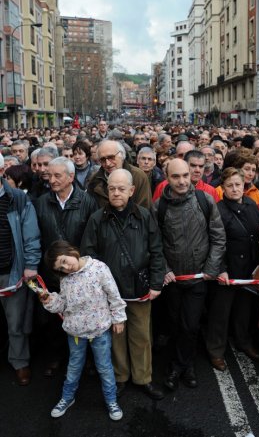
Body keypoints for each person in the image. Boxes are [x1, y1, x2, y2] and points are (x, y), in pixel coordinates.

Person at [81, 168, 165, 400]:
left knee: (141, 336)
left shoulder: (145, 216)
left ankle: (143, 378)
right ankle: (120, 377)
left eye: (121, 189)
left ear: (132, 190)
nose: (116, 193)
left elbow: (157, 251)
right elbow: (88, 255)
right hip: (110, 293)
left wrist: (156, 283)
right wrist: (97, 288)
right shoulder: (97, 218)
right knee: (116, 338)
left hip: (140, 289)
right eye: (111, 188)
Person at [153, 159, 226, 390]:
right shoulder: (158, 207)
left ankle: (180, 366)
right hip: (173, 280)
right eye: (176, 176)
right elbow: (154, 244)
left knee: (191, 325)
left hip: (198, 278)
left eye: (185, 175)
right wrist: (165, 270)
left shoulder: (205, 200)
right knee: (175, 324)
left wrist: (210, 269)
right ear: (167, 176)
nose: (183, 180)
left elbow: (218, 237)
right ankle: (182, 364)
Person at [40, 240, 126, 420]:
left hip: (100, 330)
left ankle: (111, 400)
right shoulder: (65, 279)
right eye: (60, 268)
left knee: (104, 367)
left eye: (64, 261)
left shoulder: (99, 268)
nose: (65, 268)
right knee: (73, 367)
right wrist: (50, 301)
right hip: (75, 333)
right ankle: (67, 397)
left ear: (70, 250)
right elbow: (63, 304)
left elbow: (113, 294)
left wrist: (118, 318)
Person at [34, 156, 98, 375]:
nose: (51, 180)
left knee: (82, 314)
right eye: (49, 175)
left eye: (57, 175)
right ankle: (56, 356)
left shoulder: (87, 202)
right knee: (53, 318)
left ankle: (87, 359)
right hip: (51, 272)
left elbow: (92, 238)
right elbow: (37, 236)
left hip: (78, 272)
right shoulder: (41, 202)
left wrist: (82, 267)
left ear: (71, 177)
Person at [206, 168, 259, 371]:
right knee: (220, 313)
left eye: (238, 184)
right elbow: (213, 241)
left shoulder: (250, 204)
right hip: (228, 270)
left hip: (249, 269)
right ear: (223, 188)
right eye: (230, 185)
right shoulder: (219, 209)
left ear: (244, 185)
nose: (235, 189)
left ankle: (243, 341)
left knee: (244, 310)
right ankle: (215, 350)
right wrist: (221, 269)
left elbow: (258, 229)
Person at [0, 153, 41, 385]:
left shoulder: (17, 199)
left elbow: (31, 235)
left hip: (11, 271)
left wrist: (31, 265)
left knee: (15, 322)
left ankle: (19, 361)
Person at [87, 140, 152, 209]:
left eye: (111, 157)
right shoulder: (95, 180)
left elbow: (144, 209)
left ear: (121, 155)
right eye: (103, 159)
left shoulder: (139, 177)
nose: (108, 163)